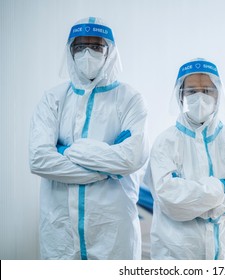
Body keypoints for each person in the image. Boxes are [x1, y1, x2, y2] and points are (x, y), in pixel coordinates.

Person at [29, 17, 148, 260]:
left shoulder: (130, 100)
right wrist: (108, 168)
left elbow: (131, 159)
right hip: (60, 230)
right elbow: (39, 159)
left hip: (114, 233)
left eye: (96, 47)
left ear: (110, 52)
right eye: (80, 47)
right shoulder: (53, 99)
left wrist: (65, 151)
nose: (87, 54)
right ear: (70, 51)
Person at [143, 58, 225, 260]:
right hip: (176, 254)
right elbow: (168, 198)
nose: (200, 98)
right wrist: (220, 189)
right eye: (192, 91)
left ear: (218, 95)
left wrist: (195, 205)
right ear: (181, 96)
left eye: (207, 91)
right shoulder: (165, 143)